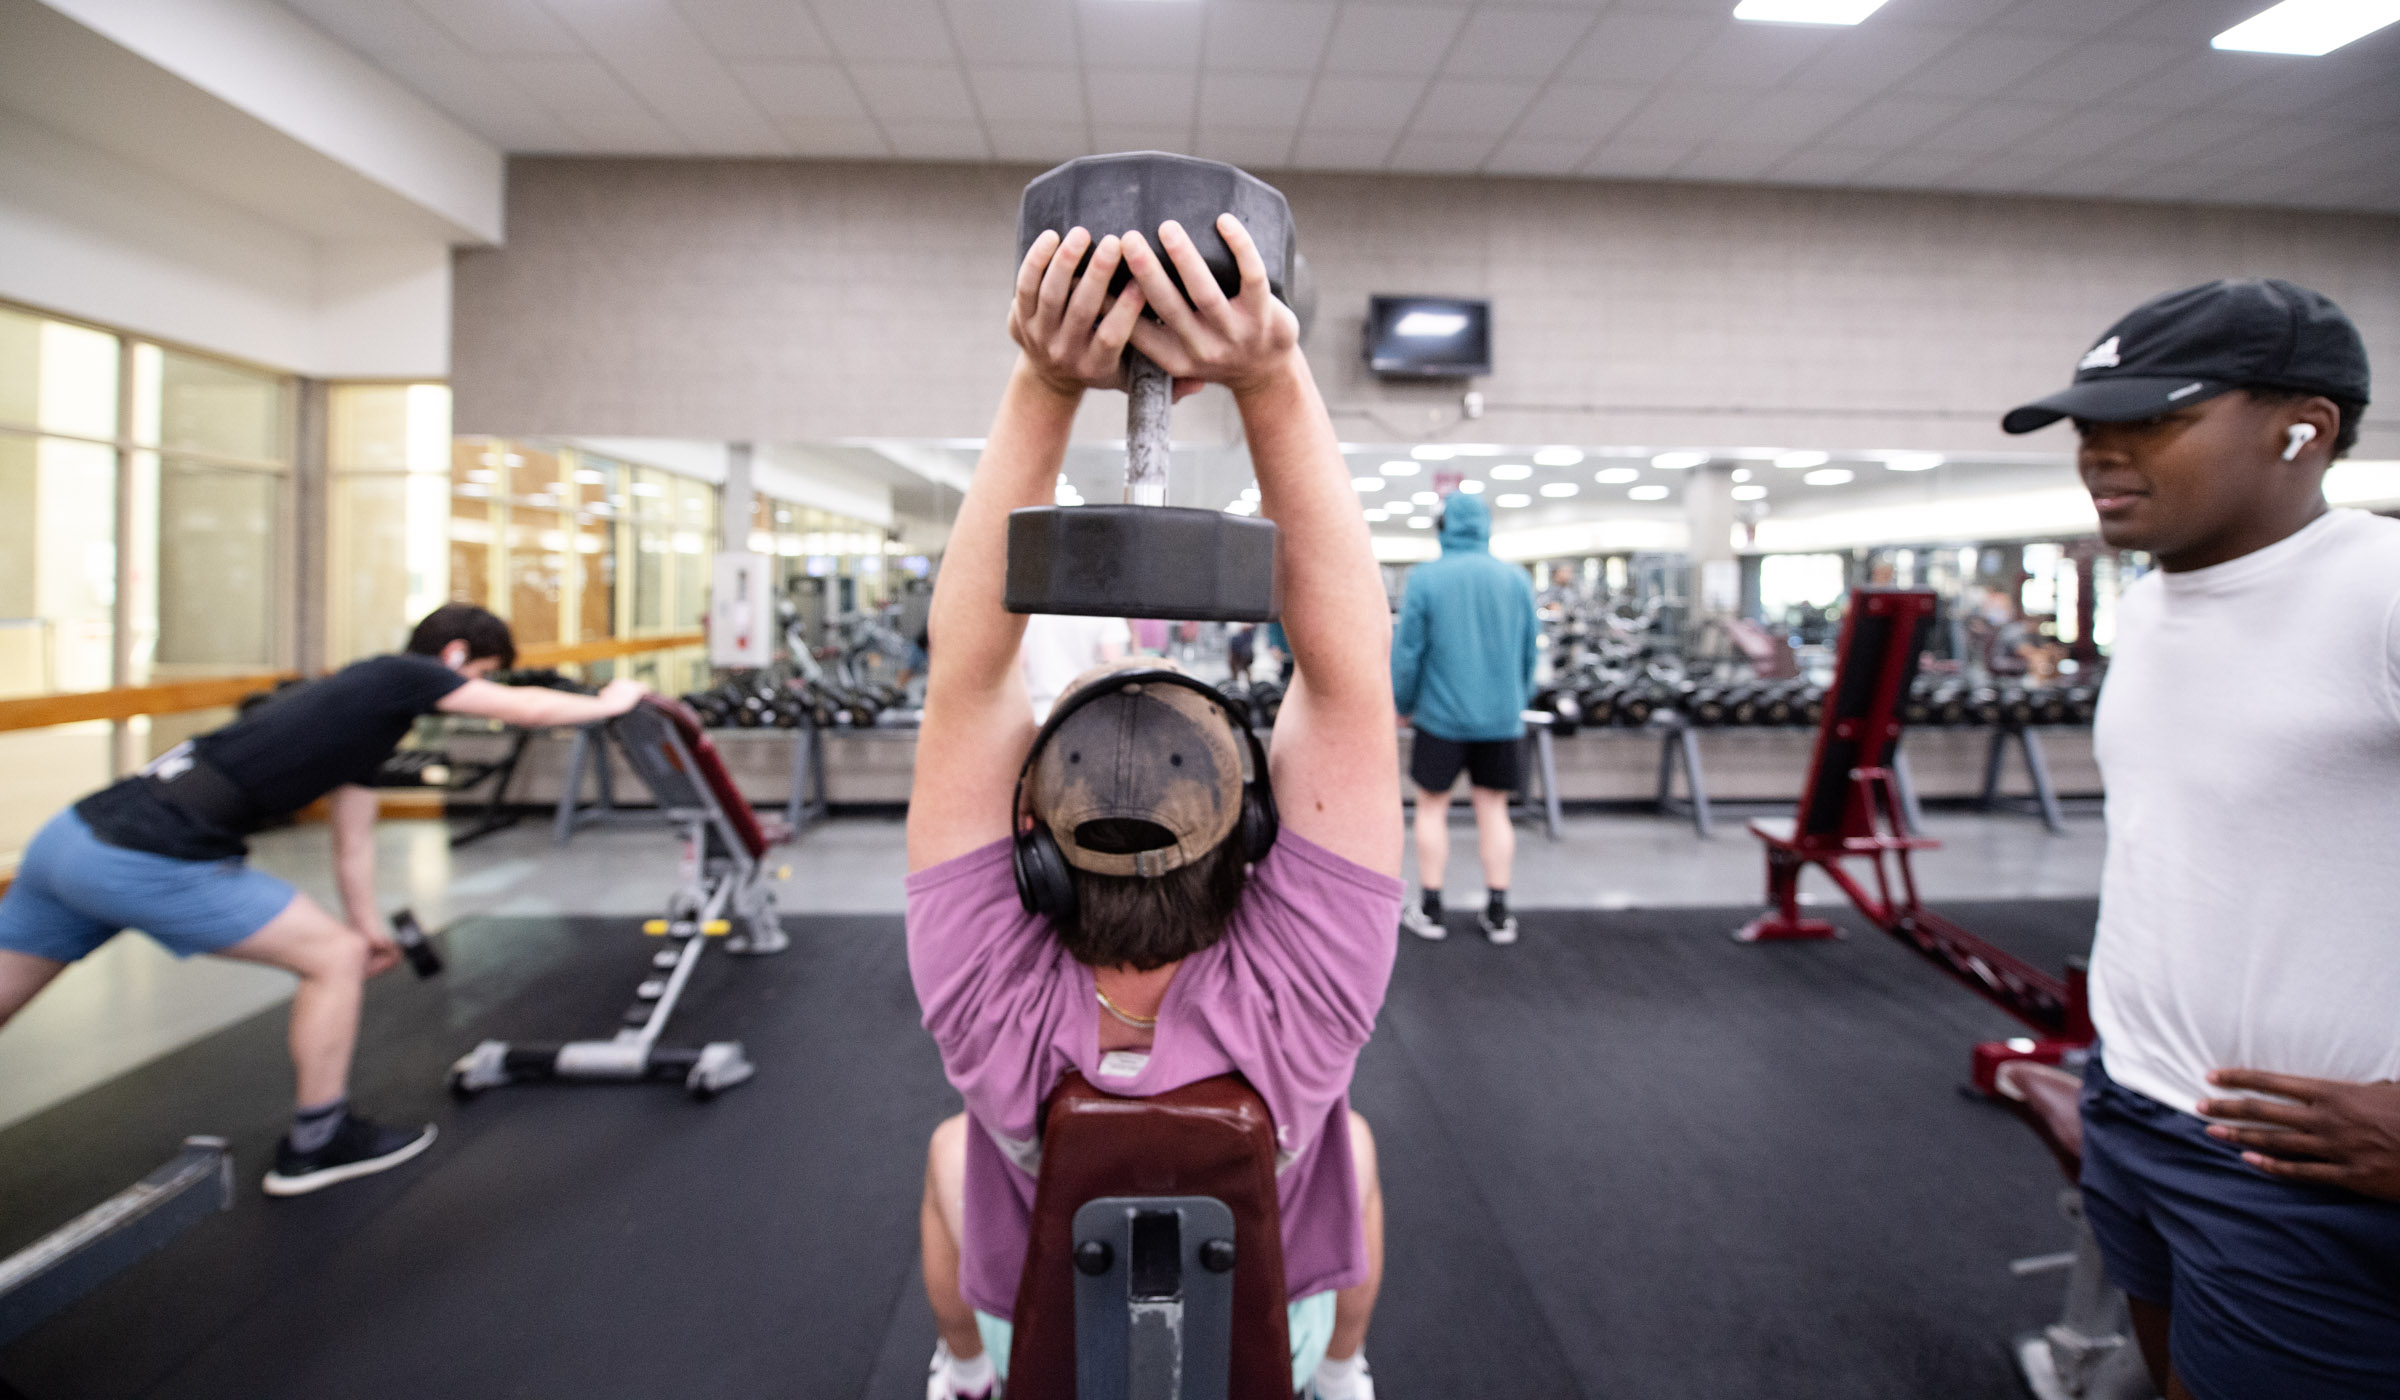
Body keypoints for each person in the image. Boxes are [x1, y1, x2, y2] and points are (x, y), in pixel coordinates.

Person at [906, 216, 1401, 1400]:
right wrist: (1269, 374)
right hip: (1259, 1337)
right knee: (1354, 1142)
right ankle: (1339, 1372)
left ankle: (962, 1366)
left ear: (1028, 842)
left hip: (1048, 1340)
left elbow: (965, 670)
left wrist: (1044, 379)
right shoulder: (1307, 997)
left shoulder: (985, 996)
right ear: (1260, 839)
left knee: (948, 1147)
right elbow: (1349, 667)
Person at [2000, 277, 2399, 1400]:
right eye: (2090, 424)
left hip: (2298, 1163)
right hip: (2137, 1106)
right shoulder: (2158, 600)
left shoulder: (2382, 591)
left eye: (2154, 419)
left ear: (2301, 427)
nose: (2102, 453)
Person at [0, 604, 649, 1196]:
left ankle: (320, 1127)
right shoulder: (404, 674)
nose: (481, 694)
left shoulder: (365, 713)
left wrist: (368, 926)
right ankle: (316, 1143)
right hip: (147, 852)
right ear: (454, 657)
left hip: (71, 839)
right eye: (482, 675)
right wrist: (613, 699)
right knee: (330, 961)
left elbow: (353, 846)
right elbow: (531, 711)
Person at [1390, 491, 1538, 945]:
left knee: (1431, 809)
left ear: (1443, 527)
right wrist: (1517, 700)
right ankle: (1498, 912)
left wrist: (1402, 703)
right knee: (1493, 810)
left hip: (1440, 718)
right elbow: (1529, 652)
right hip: (1500, 719)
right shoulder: (1515, 579)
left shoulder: (1426, 579)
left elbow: (1408, 653)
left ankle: (1432, 909)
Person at [1016, 611, 1129, 720]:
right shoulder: (1106, 609)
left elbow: (1018, 664)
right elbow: (1112, 667)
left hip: (1038, 712)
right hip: (1083, 711)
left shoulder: (1031, 609)